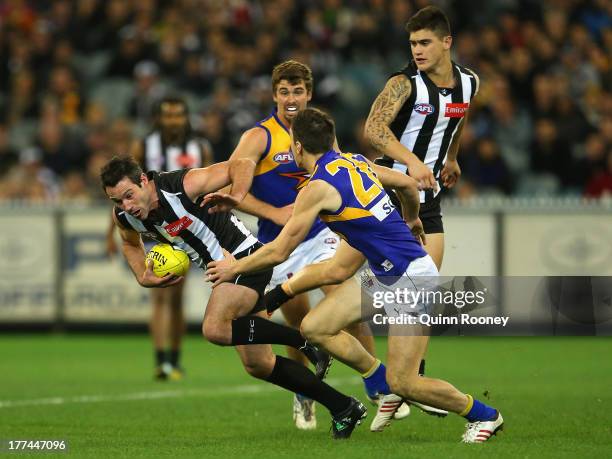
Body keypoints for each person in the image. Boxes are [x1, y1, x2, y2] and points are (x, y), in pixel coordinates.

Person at [206, 108, 504, 442]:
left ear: (298, 147)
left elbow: (278, 251)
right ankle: (378, 381)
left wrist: (235, 268)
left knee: (405, 383)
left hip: (411, 282)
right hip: (388, 277)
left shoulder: (315, 189)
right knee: (315, 327)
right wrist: (412, 219)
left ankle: (484, 415)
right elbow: (405, 185)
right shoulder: (355, 161)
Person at [100, 155, 367, 439]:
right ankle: (343, 407)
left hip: (244, 258)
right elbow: (129, 243)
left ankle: (304, 341)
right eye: (117, 201)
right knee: (259, 365)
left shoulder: (182, 185)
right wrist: (142, 274)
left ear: (144, 181)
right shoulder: (126, 216)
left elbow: (240, 164)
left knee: (215, 328)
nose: (126, 206)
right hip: (224, 273)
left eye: (129, 195)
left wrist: (237, 195)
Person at [227, 59, 385, 428]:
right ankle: (305, 392)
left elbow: (339, 174)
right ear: (274, 95)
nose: (292, 98)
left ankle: (380, 387)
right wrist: (274, 212)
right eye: (284, 91)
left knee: (342, 299)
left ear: (309, 94)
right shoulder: (258, 137)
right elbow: (234, 191)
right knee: (298, 324)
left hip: (320, 234)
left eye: (298, 91)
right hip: (278, 242)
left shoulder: (318, 130)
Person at [363, 4, 480, 394]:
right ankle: (372, 374)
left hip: (428, 200)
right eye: (413, 43)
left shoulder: (469, 83)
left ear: (447, 42)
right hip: (385, 194)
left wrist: (452, 157)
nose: (417, 50)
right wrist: (413, 161)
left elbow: (457, 118)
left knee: (420, 293)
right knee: (341, 284)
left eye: (425, 42)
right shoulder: (404, 83)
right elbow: (374, 128)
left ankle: (409, 383)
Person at [106, 96, 213, 381]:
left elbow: (211, 186)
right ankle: (161, 360)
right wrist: (111, 233)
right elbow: (124, 192)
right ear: (159, 118)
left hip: (185, 228)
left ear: (186, 117)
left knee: (176, 297)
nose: (173, 120)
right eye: (168, 115)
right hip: (150, 225)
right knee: (159, 294)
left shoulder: (200, 147)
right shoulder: (144, 146)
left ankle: (174, 360)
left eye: (178, 115)